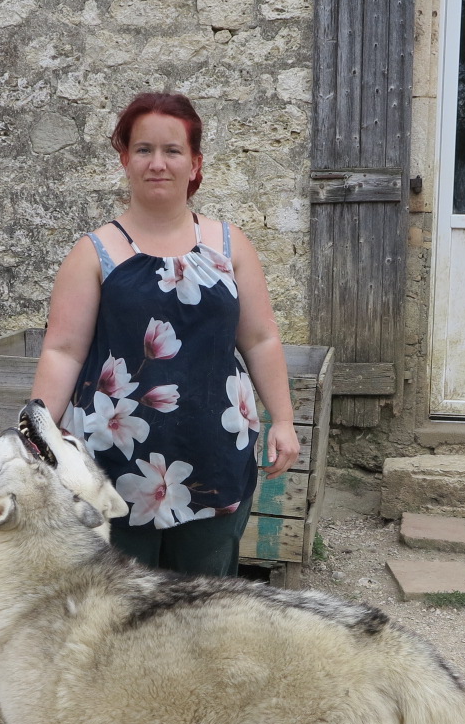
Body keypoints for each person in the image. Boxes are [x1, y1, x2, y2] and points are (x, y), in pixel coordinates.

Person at [30, 92, 300, 577]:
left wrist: (282, 419)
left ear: (195, 164)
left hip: (216, 456)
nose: (158, 163)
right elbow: (63, 351)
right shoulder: (94, 253)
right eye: (143, 150)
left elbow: (260, 339)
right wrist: (38, 438)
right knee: (119, 607)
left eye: (173, 151)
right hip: (110, 464)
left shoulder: (228, 245)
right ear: (124, 160)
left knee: (206, 601)